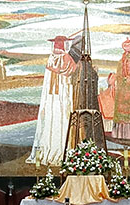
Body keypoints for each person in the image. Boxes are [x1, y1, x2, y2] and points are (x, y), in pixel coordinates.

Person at [27, 35, 77, 166]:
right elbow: (74, 71)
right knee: (62, 120)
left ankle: (48, 149)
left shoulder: (51, 58)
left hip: (51, 98)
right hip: (62, 96)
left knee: (51, 120)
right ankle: (60, 150)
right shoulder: (67, 58)